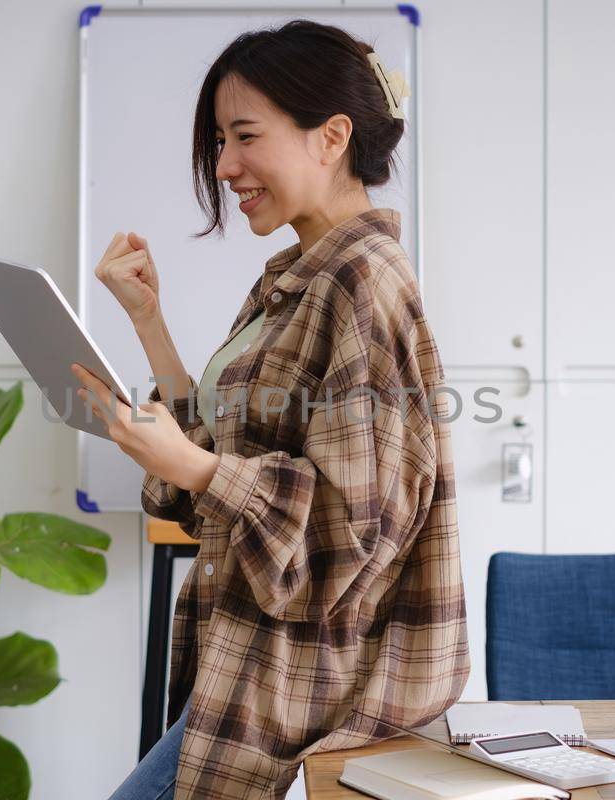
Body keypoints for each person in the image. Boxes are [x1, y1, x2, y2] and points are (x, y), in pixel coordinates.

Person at [72, 19, 469, 800]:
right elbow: (231, 455)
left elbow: (351, 535)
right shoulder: (297, 278)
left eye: (244, 136)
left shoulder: (365, 285)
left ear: (332, 137)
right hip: (247, 669)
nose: (224, 166)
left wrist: (195, 466)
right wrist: (148, 323)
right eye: (219, 140)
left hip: (305, 690)